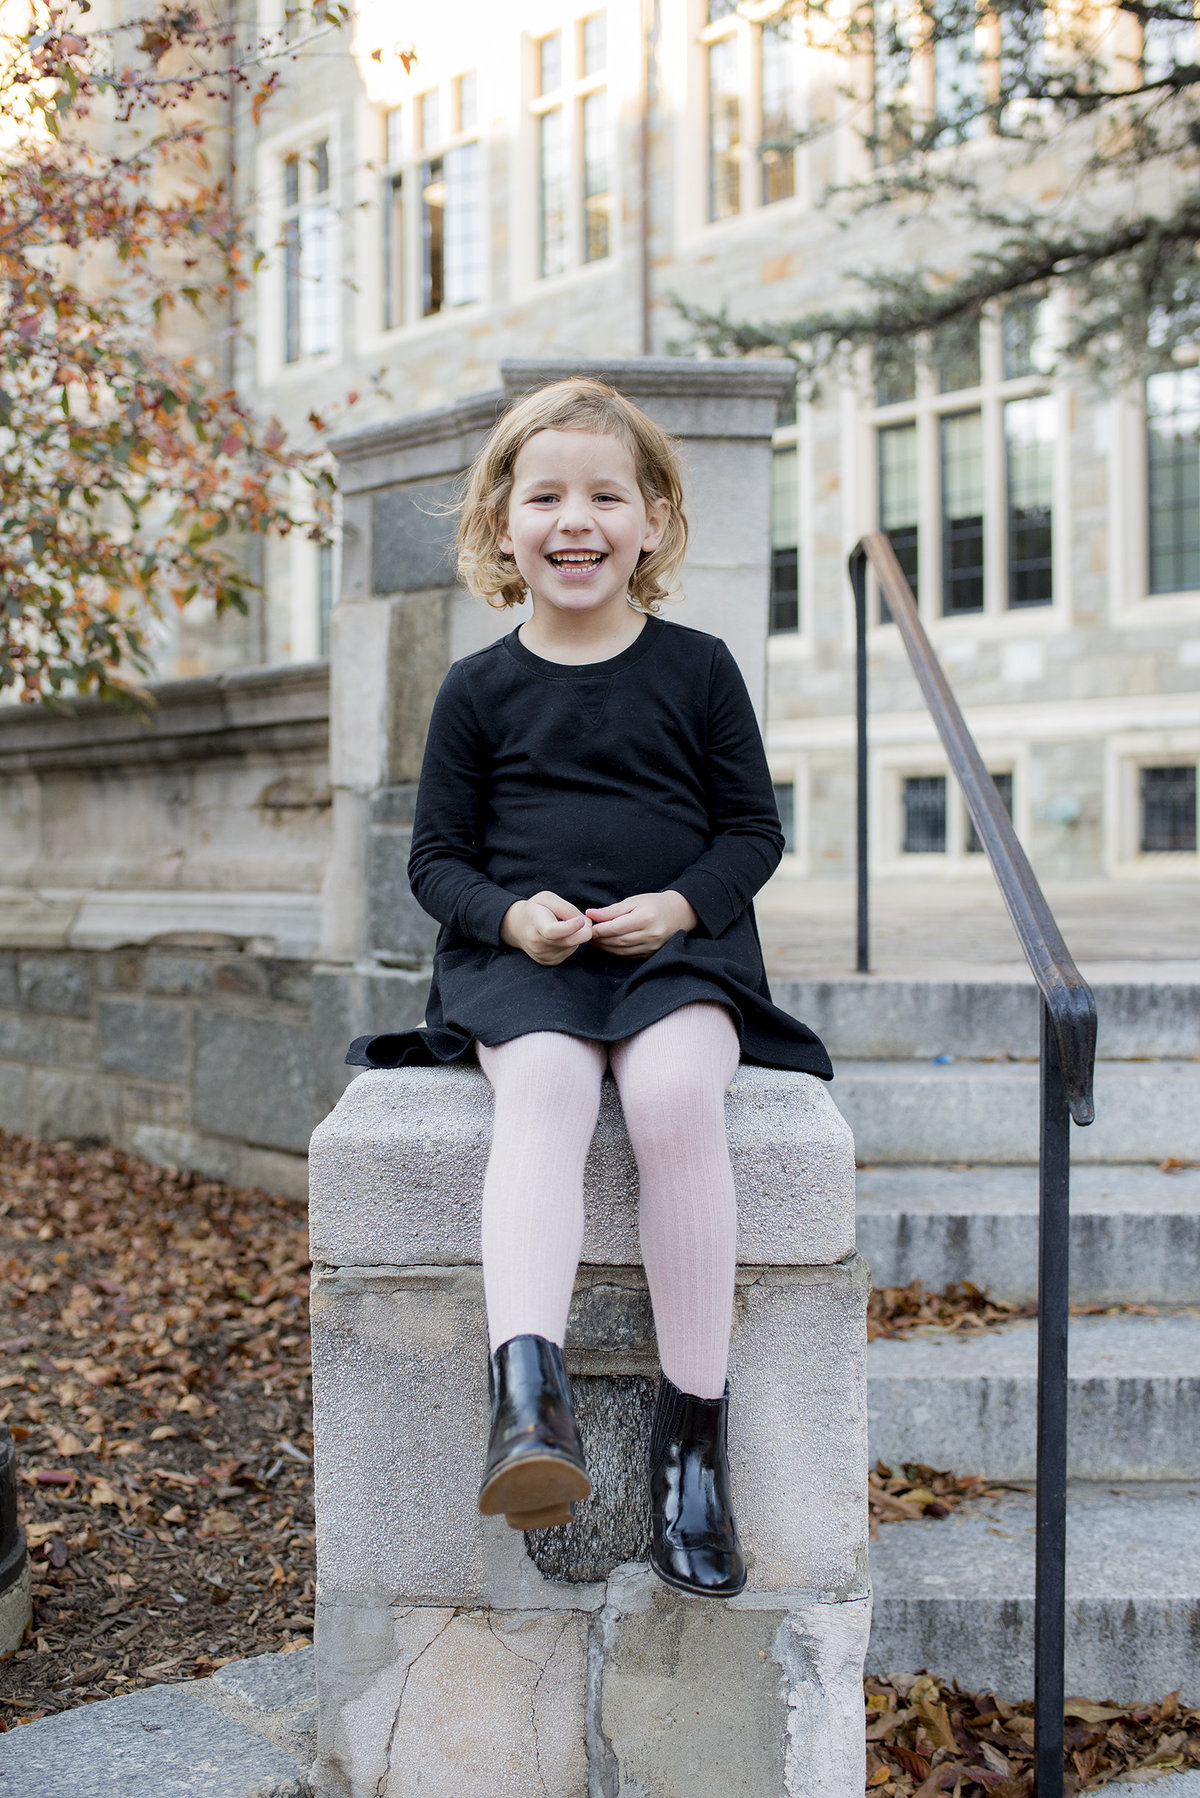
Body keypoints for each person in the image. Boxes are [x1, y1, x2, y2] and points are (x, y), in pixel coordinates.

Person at [346, 378, 832, 1598]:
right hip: (525, 966)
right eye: (545, 494)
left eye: (606, 494)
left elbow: (751, 834)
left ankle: (693, 1449)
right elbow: (433, 861)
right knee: (549, 1090)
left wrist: (679, 905)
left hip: (679, 955)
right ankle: (528, 1403)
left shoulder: (699, 669)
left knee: (673, 1097)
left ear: (655, 520)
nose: (577, 518)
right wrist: (512, 916)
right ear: (501, 524)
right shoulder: (478, 689)